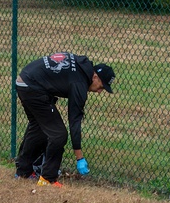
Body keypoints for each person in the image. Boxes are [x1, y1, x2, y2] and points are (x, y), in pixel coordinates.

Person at [13, 52, 115, 187]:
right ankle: (48, 179)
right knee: (58, 134)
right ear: (95, 77)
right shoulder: (80, 83)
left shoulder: (81, 66)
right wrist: (80, 157)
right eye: (101, 87)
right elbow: (74, 120)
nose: (99, 92)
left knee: (39, 127)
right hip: (33, 87)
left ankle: (23, 172)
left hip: (25, 81)